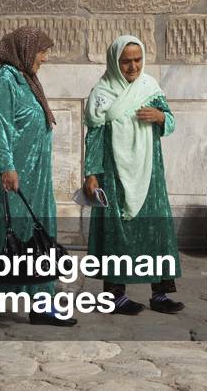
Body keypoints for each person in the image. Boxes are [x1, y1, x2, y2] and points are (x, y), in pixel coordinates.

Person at [0, 26, 72, 327]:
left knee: (36, 240)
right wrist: (6, 165)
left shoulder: (26, 80)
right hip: (7, 180)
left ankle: (41, 302)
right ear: (24, 48)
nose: (45, 57)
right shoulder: (4, 79)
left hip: (34, 178)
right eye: (41, 51)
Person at [82, 36, 182, 315]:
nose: (133, 66)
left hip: (149, 170)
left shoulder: (149, 87)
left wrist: (161, 118)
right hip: (114, 171)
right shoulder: (102, 93)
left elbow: (170, 120)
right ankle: (115, 296)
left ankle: (160, 294)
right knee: (118, 230)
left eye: (137, 60)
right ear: (115, 62)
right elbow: (94, 135)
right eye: (126, 61)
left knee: (156, 228)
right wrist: (91, 173)